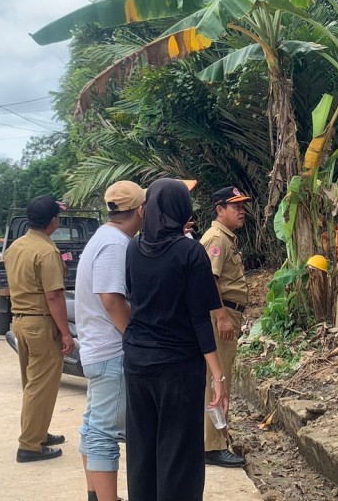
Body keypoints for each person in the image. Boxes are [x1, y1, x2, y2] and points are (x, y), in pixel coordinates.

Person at [123, 179, 227, 501]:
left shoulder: (132, 248)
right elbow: (199, 319)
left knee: (142, 448)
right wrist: (218, 375)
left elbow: (131, 297)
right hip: (178, 368)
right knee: (179, 452)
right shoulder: (189, 252)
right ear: (183, 209)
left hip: (138, 362)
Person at [75, 181, 144, 501]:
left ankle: (95, 494)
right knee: (104, 433)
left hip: (97, 349)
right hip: (111, 350)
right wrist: (133, 338)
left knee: (93, 427)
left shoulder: (104, 237)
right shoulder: (116, 244)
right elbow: (112, 298)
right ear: (141, 210)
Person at [4, 195, 74, 463]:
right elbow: (54, 296)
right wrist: (66, 333)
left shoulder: (16, 247)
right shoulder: (46, 252)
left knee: (32, 384)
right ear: (53, 221)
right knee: (41, 386)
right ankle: (30, 445)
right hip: (41, 322)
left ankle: (37, 432)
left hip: (20, 320)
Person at [198, 186, 252, 468]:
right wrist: (221, 317)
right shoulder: (217, 239)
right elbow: (209, 282)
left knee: (220, 378)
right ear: (219, 209)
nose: (241, 211)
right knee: (217, 380)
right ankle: (212, 445)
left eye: (243, 206)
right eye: (235, 206)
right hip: (222, 314)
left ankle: (215, 439)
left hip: (228, 312)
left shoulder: (226, 238)